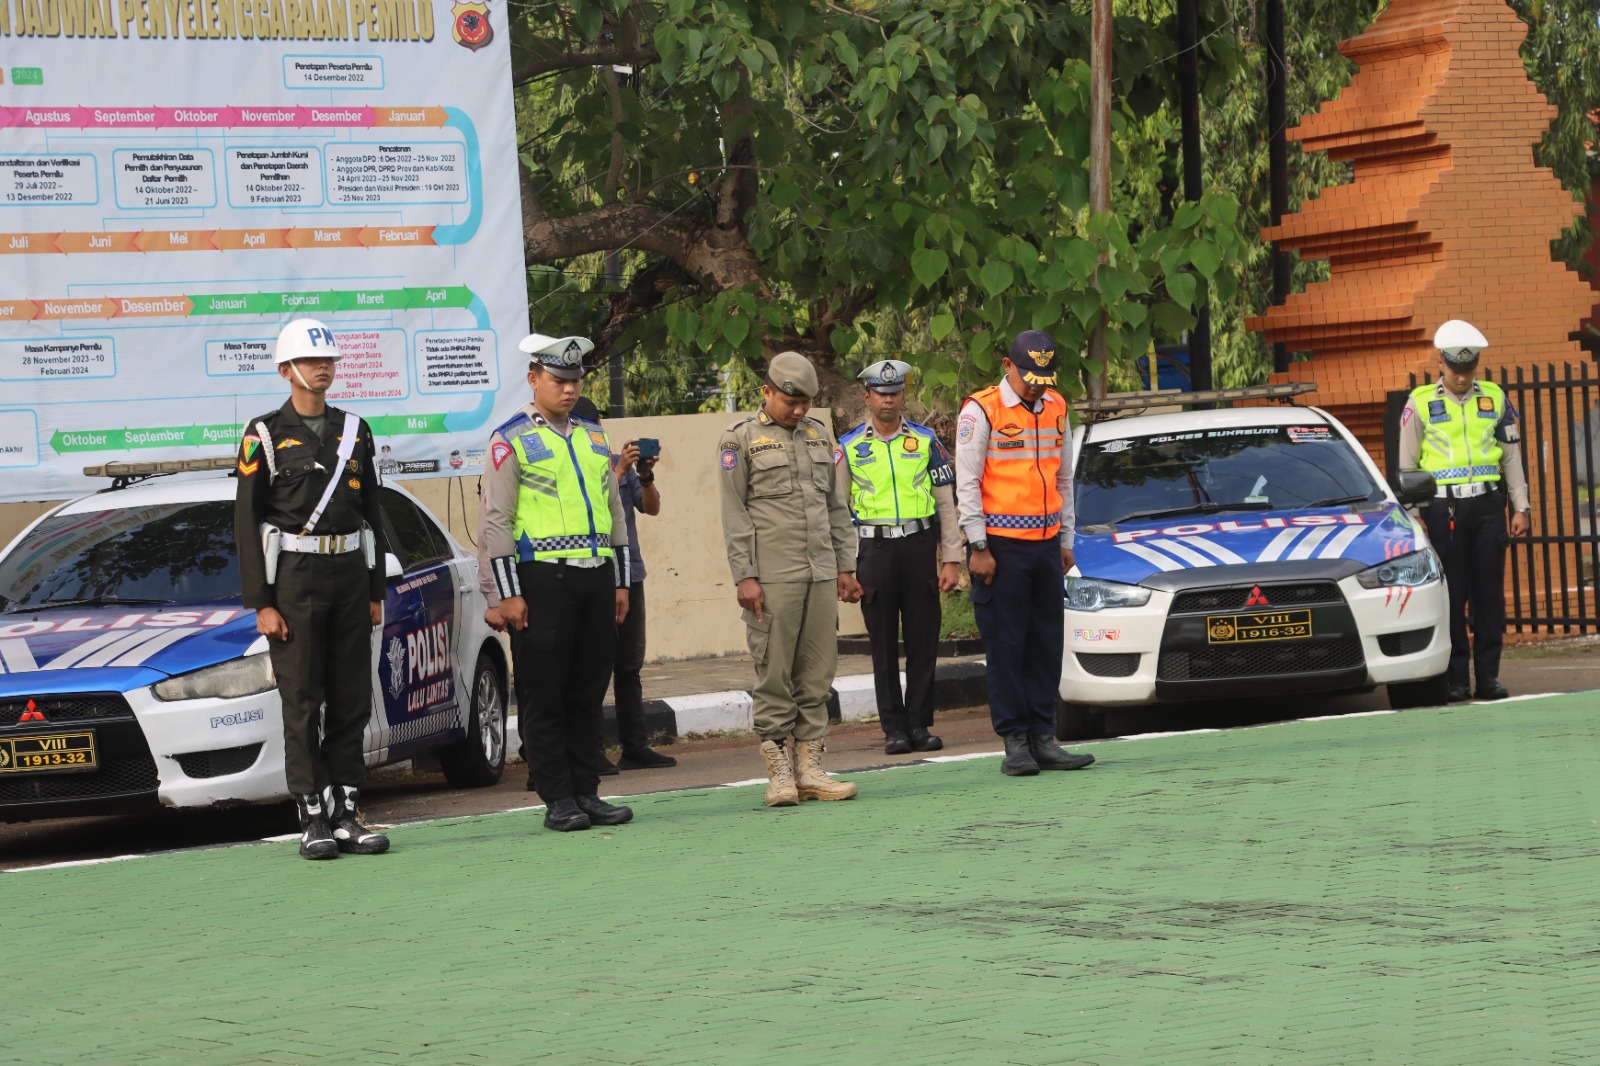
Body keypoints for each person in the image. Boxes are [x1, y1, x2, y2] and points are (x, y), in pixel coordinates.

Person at [234, 318, 391, 860]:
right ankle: (312, 815)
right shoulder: (263, 433)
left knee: (352, 698)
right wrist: (262, 603)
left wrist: (377, 590)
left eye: (329, 362)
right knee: (302, 701)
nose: (324, 369)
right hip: (295, 580)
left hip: (349, 572)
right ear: (287, 371)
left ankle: (347, 810)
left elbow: (372, 512)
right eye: (312, 361)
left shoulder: (356, 430)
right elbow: (246, 521)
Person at [479, 333, 635, 832]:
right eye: (558, 380)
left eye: (575, 380)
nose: (569, 389)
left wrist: (621, 582)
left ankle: (586, 790)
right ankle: (557, 797)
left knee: (589, 688)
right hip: (541, 580)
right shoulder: (510, 440)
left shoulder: (593, 436)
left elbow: (615, 514)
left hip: (595, 576)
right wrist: (505, 593)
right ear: (534, 380)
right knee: (544, 690)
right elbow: (496, 522)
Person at [719, 351, 863, 807]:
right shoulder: (739, 440)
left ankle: (810, 768)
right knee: (775, 673)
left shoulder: (821, 437)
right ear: (767, 391)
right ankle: (779, 772)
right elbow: (734, 513)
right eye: (790, 400)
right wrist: (746, 576)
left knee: (818, 674)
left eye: (806, 402)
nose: (799, 410)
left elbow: (837, 508)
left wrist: (846, 566)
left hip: (820, 572)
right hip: (772, 575)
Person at [955, 330, 1096, 776]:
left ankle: (1044, 736)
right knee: (1006, 644)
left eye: (1044, 377)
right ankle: (1015, 741)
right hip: (1000, 548)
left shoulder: (1057, 407)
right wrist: (978, 545)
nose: (1036, 386)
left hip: (1047, 545)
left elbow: (1064, 480)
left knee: (1044, 644)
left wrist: (1067, 539)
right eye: (1028, 376)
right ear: (1007, 365)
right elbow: (968, 483)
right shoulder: (982, 410)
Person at [1397, 319, 1531, 702]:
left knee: (1489, 596)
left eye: (1468, 369)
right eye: (1455, 369)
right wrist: (1414, 512)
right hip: (1444, 509)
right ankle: (1456, 679)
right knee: (1452, 595)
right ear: (1440, 362)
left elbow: (1511, 457)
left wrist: (1521, 506)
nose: (1461, 377)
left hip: (1489, 505)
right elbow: (1408, 464)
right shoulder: (1420, 402)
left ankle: (1488, 677)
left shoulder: (1494, 398)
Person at [838, 359, 963, 755]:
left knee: (924, 639)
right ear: (867, 397)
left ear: (903, 396)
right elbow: (838, 512)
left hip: (919, 546)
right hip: (872, 551)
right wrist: (844, 567)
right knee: (883, 644)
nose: (888, 399)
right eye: (880, 393)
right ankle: (893, 728)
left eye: (894, 393)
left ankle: (919, 724)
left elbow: (946, 505)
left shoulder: (927, 442)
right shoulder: (849, 447)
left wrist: (951, 559)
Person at [568, 398, 677, 775]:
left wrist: (644, 474)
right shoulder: (571, 463)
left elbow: (651, 508)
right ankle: (592, 749)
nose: (593, 431)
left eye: (596, 424)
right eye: (586, 424)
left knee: (629, 666)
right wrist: (619, 470)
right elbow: (594, 503)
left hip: (630, 574)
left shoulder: (617, 460)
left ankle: (635, 746)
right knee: (593, 667)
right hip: (594, 574)